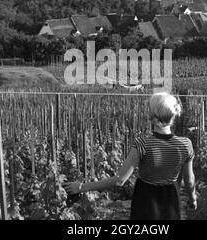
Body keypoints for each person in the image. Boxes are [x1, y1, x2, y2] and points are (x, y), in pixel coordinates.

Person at [63, 92, 197, 220]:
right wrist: (192, 199)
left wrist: (81, 187)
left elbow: (120, 180)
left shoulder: (143, 143)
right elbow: (189, 179)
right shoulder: (186, 144)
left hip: (146, 200)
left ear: (152, 117)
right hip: (171, 199)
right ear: (173, 116)